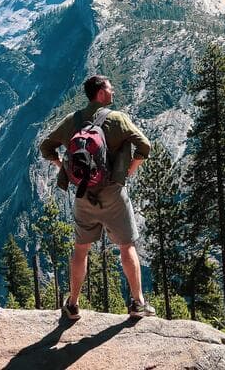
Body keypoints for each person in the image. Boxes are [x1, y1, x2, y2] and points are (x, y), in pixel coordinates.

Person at [39, 75, 155, 319]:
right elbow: (144, 146)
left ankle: (73, 304)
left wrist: (63, 167)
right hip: (113, 194)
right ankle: (137, 303)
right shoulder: (117, 119)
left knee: (81, 249)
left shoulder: (72, 120)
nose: (113, 91)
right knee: (127, 246)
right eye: (110, 88)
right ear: (101, 93)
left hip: (83, 194)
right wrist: (130, 170)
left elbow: (46, 147)